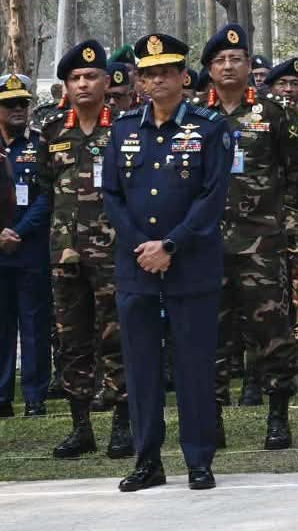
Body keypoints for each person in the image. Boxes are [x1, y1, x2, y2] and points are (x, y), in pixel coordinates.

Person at [102, 33, 233, 491]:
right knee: (140, 368)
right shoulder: (121, 129)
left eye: (166, 72)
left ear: (184, 77)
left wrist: (170, 246)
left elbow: (211, 197)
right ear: (139, 80)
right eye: (149, 73)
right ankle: (147, 461)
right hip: (136, 267)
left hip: (190, 265)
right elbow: (112, 195)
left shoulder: (210, 127)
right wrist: (144, 246)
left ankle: (198, 459)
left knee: (194, 366)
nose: (157, 80)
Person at [200, 23, 298, 450]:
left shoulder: (274, 111)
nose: (228, 66)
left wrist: (288, 226)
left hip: (261, 242)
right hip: (205, 246)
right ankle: (213, 420)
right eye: (220, 60)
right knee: (211, 335)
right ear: (209, 68)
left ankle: (278, 416)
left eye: (236, 59)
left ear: (249, 65)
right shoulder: (195, 115)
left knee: (272, 332)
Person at [41, 41, 134, 459]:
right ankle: (81, 427)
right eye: (75, 78)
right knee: (71, 341)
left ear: (106, 81)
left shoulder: (125, 128)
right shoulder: (52, 130)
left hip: (113, 254)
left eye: (91, 76)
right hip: (65, 255)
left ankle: (121, 424)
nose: (83, 83)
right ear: (66, 85)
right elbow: (45, 190)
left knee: (117, 339)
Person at [0, 72, 47, 419]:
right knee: (2, 325)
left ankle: (34, 396)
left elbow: (48, 194)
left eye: (22, 103)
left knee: (34, 325)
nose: (18, 109)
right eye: (9, 104)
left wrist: (19, 231)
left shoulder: (41, 144)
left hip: (30, 248)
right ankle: (2, 396)